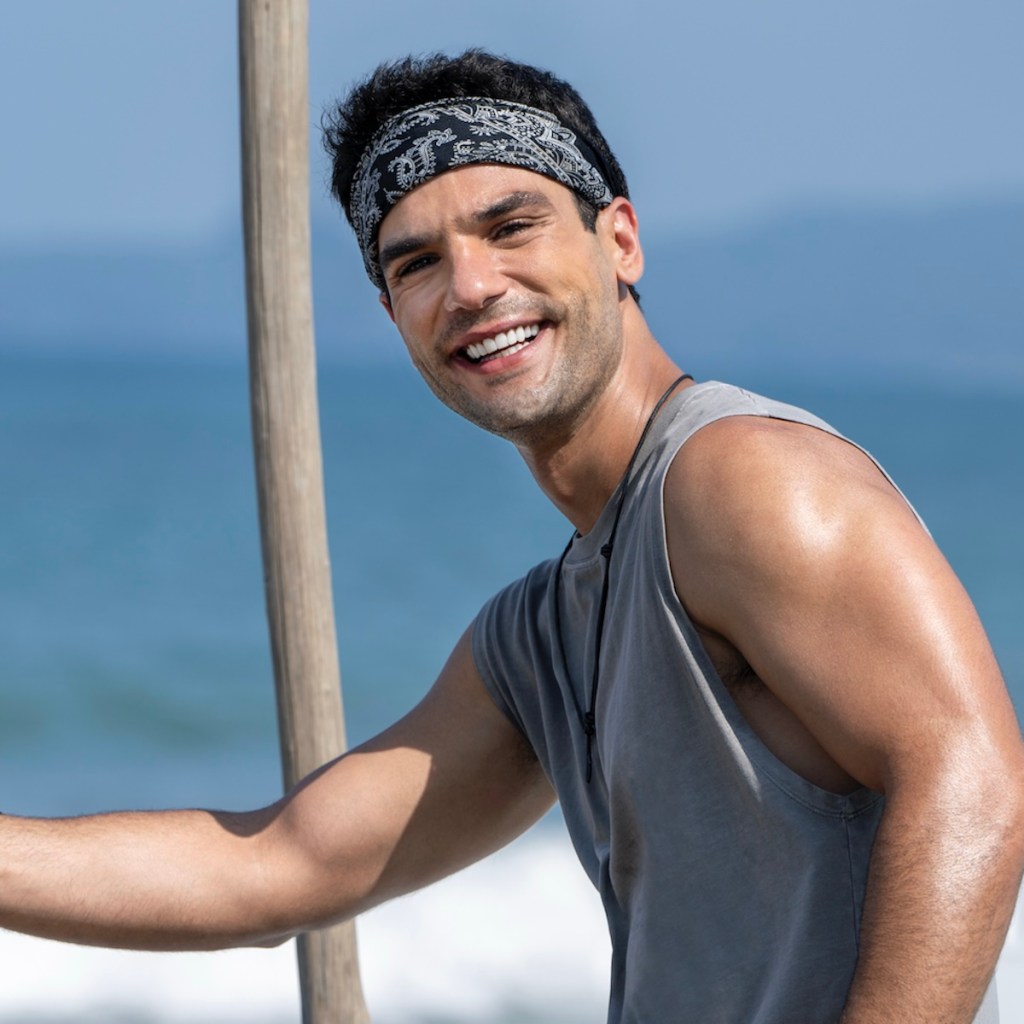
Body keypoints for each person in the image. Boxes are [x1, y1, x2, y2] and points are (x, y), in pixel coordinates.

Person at [3, 48, 1023, 1023]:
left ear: (619, 239)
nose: (472, 286)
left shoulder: (735, 478)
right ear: (394, 315)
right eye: (416, 264)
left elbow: (970, 780)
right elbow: (282, 866)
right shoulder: (542, 633)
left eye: (511, 225)